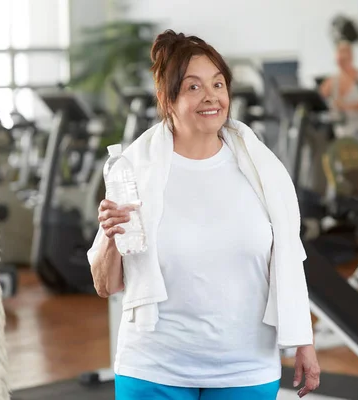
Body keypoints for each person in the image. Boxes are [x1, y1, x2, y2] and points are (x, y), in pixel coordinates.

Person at [87, 30, 320, 399]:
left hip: (246, 367)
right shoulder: (134, 170)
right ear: (167, 98)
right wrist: (112, 239)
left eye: (218, 84)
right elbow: (105, 285)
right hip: (153, 365)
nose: (212, 96)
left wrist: (303, 341)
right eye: (194, 87)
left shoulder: (263, 169)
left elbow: (287, 260)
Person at [318, 41, 358, 144]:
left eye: (345, 52)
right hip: (341, 130)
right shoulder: (332, 80)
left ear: (351, 55)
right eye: (339, 52)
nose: (341, 56)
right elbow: (318, 99)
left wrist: (344, 106)